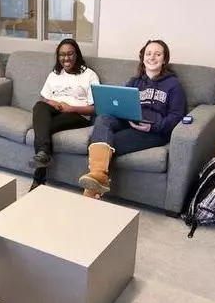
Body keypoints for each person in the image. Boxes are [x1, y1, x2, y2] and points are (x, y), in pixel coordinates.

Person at [79, 39, 187, 199]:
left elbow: (177, 117)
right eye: (148, 53)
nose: (152, 57)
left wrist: (153, 127)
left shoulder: (173, 85)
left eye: (158, 54)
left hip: (153, 131)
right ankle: (99, 176)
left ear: (164, 59)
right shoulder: (134, 81)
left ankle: (93, 188)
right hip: (129, 121)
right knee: (103, 118)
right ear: (143, 58)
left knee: (105, 142)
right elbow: (121, 103)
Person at [29, 39, 99, 191]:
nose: (66, 58)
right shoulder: (54, 74)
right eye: (62, 55)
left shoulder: (89, 75)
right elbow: (45, 98)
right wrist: (52, 103)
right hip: (55, 111)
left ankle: (37, 180)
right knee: (39, 106)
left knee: (43, 130)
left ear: (77, 54)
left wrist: (71, 108)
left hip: (78, 116)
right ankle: (42, 155)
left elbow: (95, 108)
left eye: (70, 54)